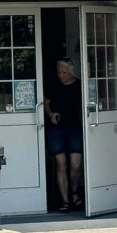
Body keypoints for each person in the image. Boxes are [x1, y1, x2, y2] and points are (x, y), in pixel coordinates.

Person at [44, 57, 83, 212]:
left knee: (75, 164)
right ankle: (65, 200)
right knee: (61, 164)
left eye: (64, 72)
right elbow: (46, 103)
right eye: (59, 72)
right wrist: (51, 114)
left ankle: (74, 192)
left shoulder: (80, 85)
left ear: (71, 72)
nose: (61, 75)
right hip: (56, 129)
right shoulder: (53, 85)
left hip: (75, 128)